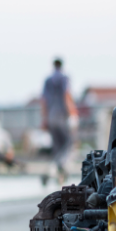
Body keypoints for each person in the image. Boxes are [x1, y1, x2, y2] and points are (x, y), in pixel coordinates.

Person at [40, 58, 77, 186]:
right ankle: (60, 166)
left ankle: (52, 170)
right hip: (61, 115)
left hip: (50, 117)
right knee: (68, 143)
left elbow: (44, 101)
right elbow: (67, 95)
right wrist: (72, 114)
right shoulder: (64, 79)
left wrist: (44, 119)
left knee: (57, 146)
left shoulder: (47, 80)